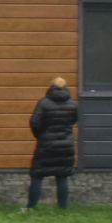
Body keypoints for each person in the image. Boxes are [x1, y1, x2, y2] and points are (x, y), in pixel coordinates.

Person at [28, 76, 79, 210]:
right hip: (66, 145)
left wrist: (40, 135)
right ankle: (62, 208)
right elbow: (74, 120)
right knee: (62, 176)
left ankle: (31, 207)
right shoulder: (73, 104)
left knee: (37, 175)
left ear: (51, 87)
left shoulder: (44, 103)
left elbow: (34, 122)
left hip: (46, 144)